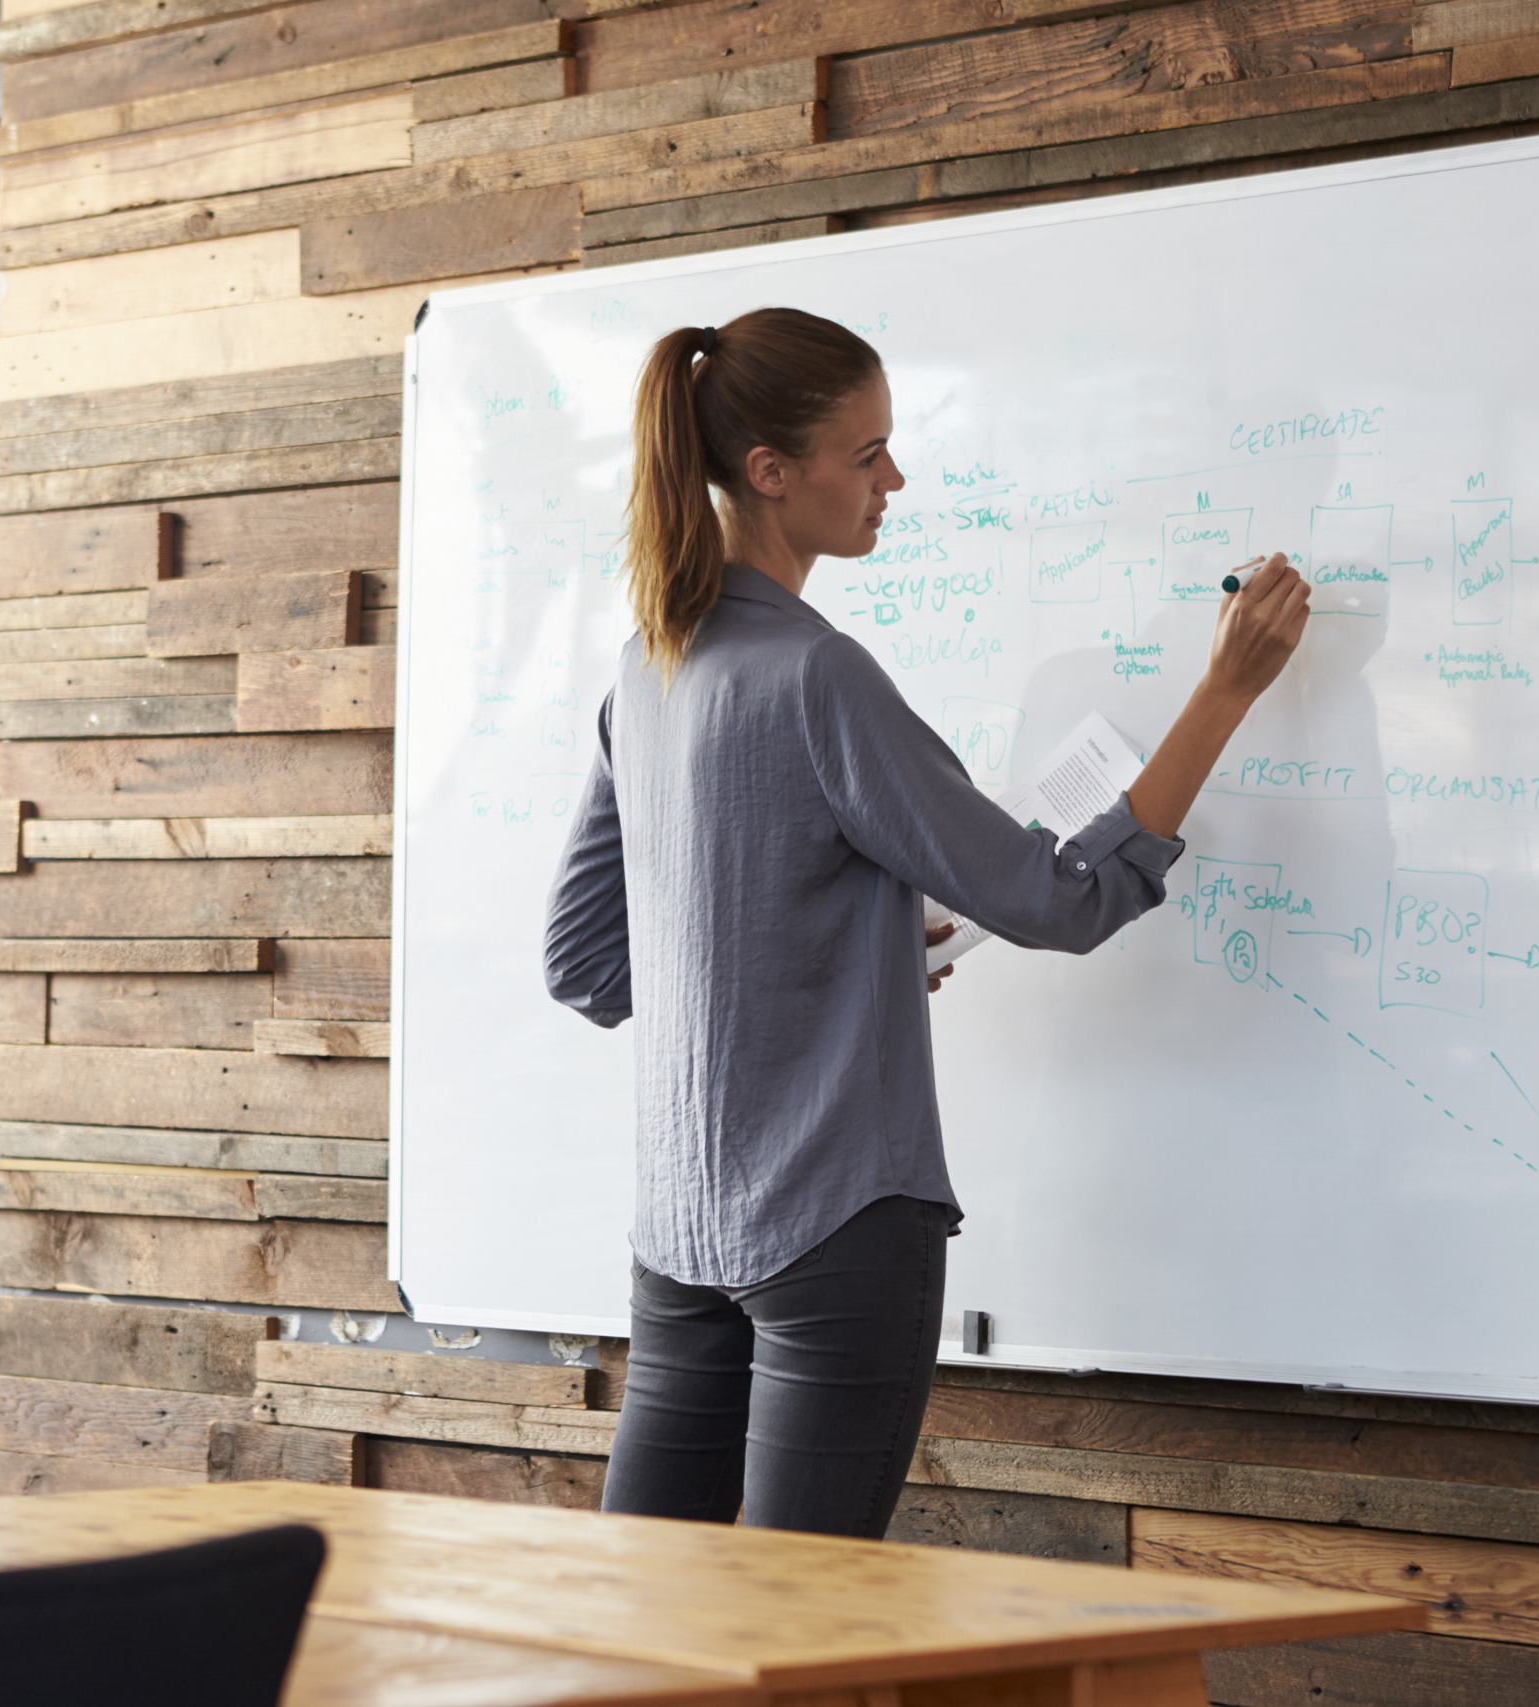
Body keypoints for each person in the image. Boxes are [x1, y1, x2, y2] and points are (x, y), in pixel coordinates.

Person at [543, 307, 1310, 1538]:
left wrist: (839, 945)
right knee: (802, 1632)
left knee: (657, 1624)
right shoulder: (817, 676)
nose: (892, 480)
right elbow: (1061, 900)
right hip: (837, 1231)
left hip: (680, 1237)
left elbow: (587, 965)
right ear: (770, 472)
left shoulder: (650, 666)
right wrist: (1224, 692)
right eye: (868, 454)